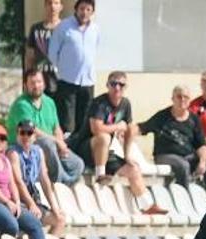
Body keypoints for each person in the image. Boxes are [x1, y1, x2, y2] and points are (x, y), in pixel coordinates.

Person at [72, 71, 167, 215]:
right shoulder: (99, 103)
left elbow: (129, 130)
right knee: (104, 137)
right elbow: (96, 128)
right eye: (113, 84)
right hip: (86, 148)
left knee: (133, 169)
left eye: (121, 85)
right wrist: (117, 127)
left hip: (104, 152)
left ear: (125, 87)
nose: (117, 88)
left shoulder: (125, 104)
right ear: (107, 86)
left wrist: (127, 155)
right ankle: (100, 174)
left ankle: (146, 206)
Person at [6, 69, 83, 186]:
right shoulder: (21, 105)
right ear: (25, 85)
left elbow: (56, 127)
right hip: (24, 145)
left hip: (51, 144)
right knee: (47, 143)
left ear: (44, 83)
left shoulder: (49, 102)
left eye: (39, 82)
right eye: (32, 83)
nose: (36, 86)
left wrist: (61, 145)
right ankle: (59, 182)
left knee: (78, 164)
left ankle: (65, 181)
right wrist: (56, 141)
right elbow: (33, 131)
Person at [136, 85, 206, 189]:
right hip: (164, 156)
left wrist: (203, 162)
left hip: (187, 156)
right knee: (183, 165)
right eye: (179, 96)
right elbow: (142, 128)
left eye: (185, 97)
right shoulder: (162, 116)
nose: (182, 100)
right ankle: (184, 197)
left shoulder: (194, 119)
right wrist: (127, 131)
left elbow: (201, 145)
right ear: (173, 99)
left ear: (189, 100)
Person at [48, 0, 99, 134]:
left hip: (87, 82)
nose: (85, 12)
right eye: (82, 9)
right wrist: (60, 72)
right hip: (67, 81)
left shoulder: (95, 29)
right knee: (67, 123)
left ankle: (81, 152)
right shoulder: (64, 27)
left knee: (84, 123)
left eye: (88, 9)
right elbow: (53, 53)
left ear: (92, 12)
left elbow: (95, 50)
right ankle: (67, 152)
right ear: (76, 9)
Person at [7, 120, 66, 236]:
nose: (26, 136)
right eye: (22, 133)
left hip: (32, 196)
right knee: (35, 221)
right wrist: (31, 204)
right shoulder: (13, 153)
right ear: (17, 135)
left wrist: (54, 207)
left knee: (60, 219)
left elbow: (45, 180)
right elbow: (18, 182)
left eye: (29, 133)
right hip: (17, 199)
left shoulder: (38, 152)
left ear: (35, 136)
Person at [25, 0, 62, 99]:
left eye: (56, 3)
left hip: (61, 82)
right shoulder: (36, 29)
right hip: (40, 81)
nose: (52, 6)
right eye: (49, 3)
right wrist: (28, 79)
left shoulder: (66, 29)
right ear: (45, 6)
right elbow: (29, 57)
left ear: (60, 6)